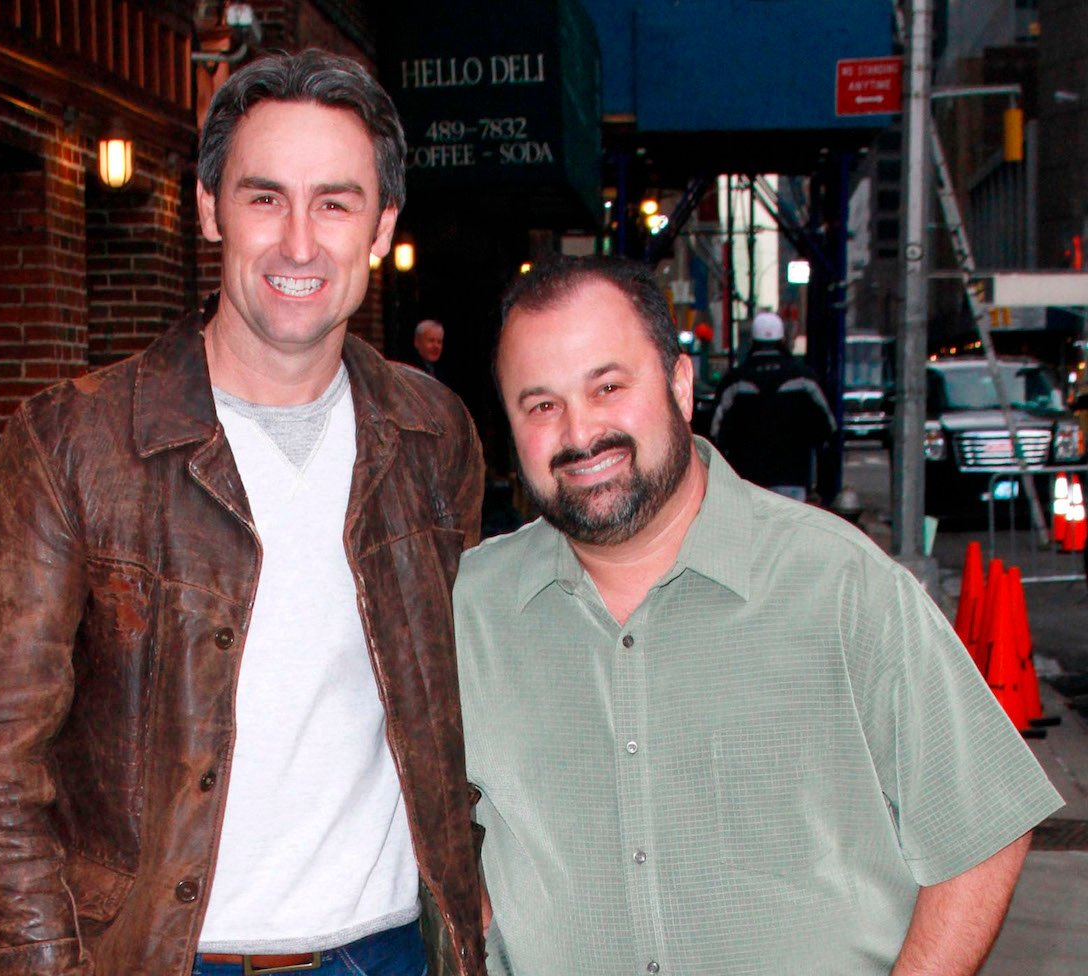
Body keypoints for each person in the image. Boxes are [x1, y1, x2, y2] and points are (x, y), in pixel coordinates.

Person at [0, 49, 487, 976]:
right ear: (207, 207)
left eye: (335, 203)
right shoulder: (78, 444)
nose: (299, 242)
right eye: (265, 197)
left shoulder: (433, 437)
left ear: (381, 227)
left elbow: (451, 708)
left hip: (392, 952)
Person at [454, 255, 1061, 976]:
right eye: (541, 404)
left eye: (608, 386)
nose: (581, 433)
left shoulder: (838, 583)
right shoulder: (471, 608)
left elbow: (983, 827)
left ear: (680, 386)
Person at [709, 309, 836, 500]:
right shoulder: (803, 377)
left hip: (747, 479)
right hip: (793, 476)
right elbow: (828, 426)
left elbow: (715, 431)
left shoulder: (736, 380)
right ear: (783, 339)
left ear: (752, 340)